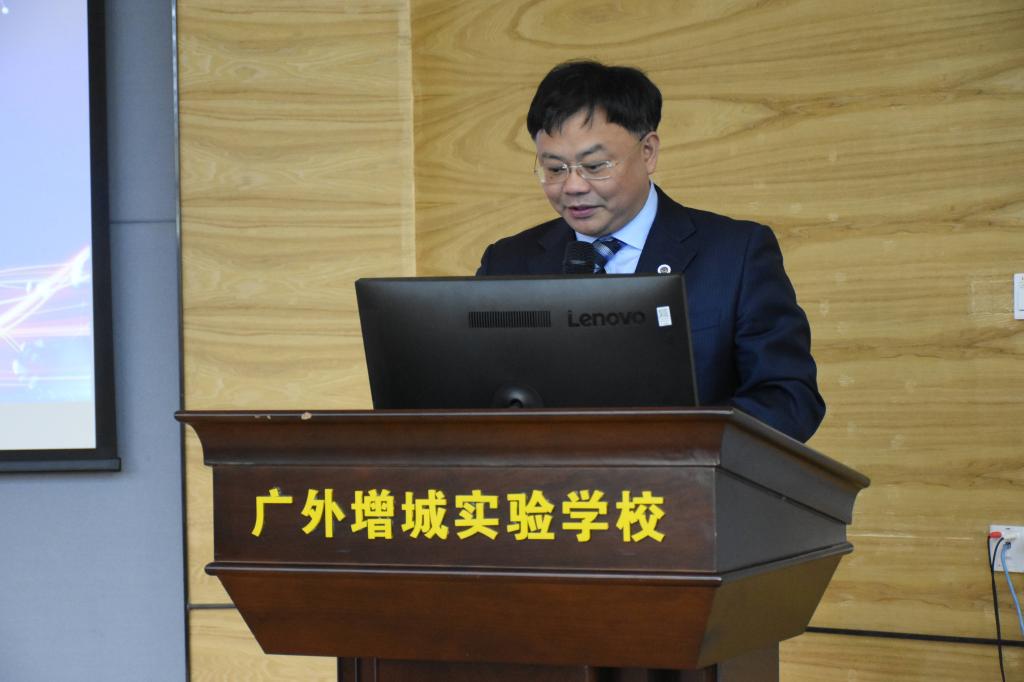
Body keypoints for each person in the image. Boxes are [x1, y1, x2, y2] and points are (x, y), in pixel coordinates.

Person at [476, 60, 825, 442]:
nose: (573, 186)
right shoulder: (507, 263)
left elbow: (788, 398)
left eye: (594, 166)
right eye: (555, 169)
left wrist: (678, 446)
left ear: (648, 152)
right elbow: (474, 399)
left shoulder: (736, 255)